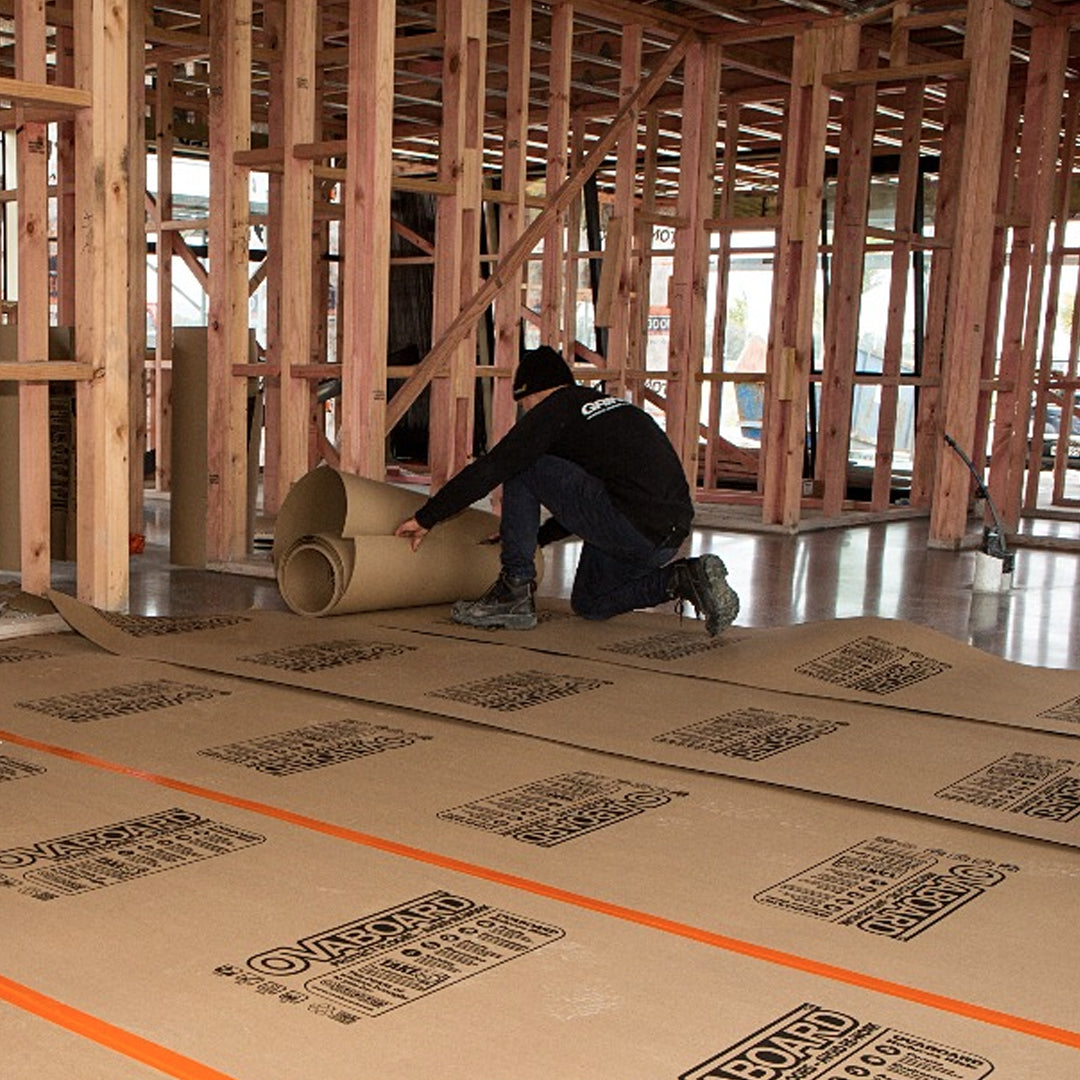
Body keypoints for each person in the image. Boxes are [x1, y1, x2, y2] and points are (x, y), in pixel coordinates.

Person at [394, 345, 739, 633]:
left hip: (629, 523)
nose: (525, 413)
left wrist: (427, 517)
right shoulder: (610, 411)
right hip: (663, 538)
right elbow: (594, 497)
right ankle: (683, 578)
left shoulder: (554, 409)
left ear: (532, 394)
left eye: (523, 405)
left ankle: (514, 591)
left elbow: (494, 466)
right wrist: (536, 536)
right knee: (590, 604)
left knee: (523, 465)